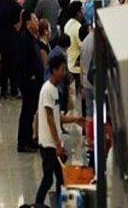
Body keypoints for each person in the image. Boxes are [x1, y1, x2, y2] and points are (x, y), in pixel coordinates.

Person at [34, 54, 86, 205]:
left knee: (59, 178)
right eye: (62, 70)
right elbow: (49, 118)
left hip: (53, 143)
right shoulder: (47, 90)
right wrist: (57, 144)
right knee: (48, 178)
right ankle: (38, 204)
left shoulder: (55, 90)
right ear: (54, 70)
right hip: (48, 144)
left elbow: (57, 117)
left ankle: (58, 203)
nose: (64, 73)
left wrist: (75, 119)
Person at [17, 11, 44, 153]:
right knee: (27, 111)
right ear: (28, 22)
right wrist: (31, 76)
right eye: (35, 19)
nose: (37, 21)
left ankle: (29, 139)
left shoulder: (32, 38)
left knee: (31, 111)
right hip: (28, 82)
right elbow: (22, 62)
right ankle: (23, 142)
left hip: (35, 81)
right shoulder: (24, 39)